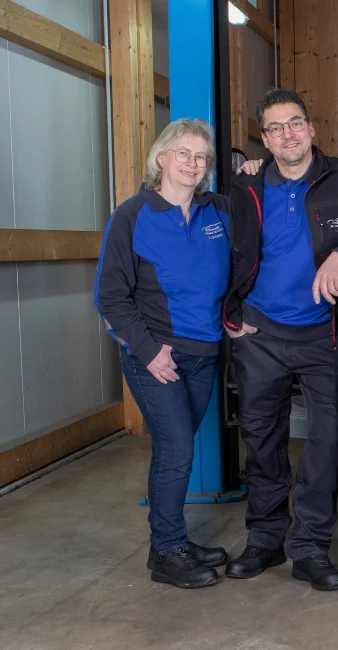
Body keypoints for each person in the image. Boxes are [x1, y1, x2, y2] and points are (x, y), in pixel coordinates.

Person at [221, 88, 338, 591]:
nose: (288, 134)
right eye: (276, 128)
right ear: (265, 140)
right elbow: (221, 254)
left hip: (324, 335)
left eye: (295, 123)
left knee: (326, 444)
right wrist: (230, 312)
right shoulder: (247, 186)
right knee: (262, 440)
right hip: (260, 333)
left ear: (310, 128)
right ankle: (264, 540)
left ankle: (309, 548)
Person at [95, 118, 231, 589]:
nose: (193, 164)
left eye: (201, 157)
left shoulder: (217, 211)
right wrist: (150, 351)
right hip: (156, 356)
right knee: (176, 451)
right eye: (183, 154)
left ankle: (168, 542)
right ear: (161, 158)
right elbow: (111, 297)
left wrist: (254, 170)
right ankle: (168, 553)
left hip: (204, 354)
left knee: (176, 450)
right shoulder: (133, 215)